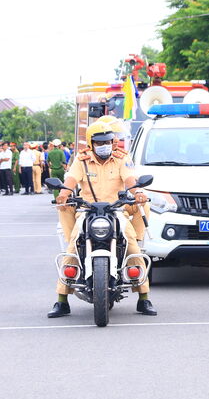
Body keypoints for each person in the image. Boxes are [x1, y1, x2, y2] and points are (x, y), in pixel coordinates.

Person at [47, 121, 156, 318]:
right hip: (87, 211)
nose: (105, 145)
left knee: (132, 246)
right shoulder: (81, 160)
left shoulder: (122, 158)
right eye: (100, 142)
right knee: (72, 247)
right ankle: (61, 301)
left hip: (116, 211)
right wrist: (63, 194)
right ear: (91, 143)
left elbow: (130, 179)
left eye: (108, 141)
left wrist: (138, 191)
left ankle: (144, 298)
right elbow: (71, 180)